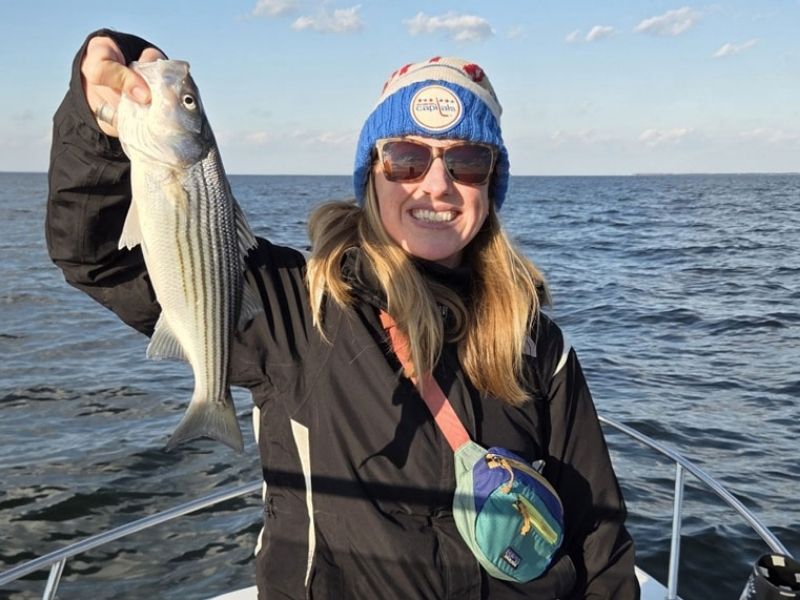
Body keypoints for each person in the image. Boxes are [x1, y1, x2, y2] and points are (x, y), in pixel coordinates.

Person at [46, 29, 640, 600]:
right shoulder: (295, 309)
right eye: (405, 158)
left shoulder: (537, 344)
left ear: (492, 183)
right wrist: (98, 120)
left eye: (467, 162)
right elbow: (95, 256)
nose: (437, 184)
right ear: (371, 174)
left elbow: (600, 537)